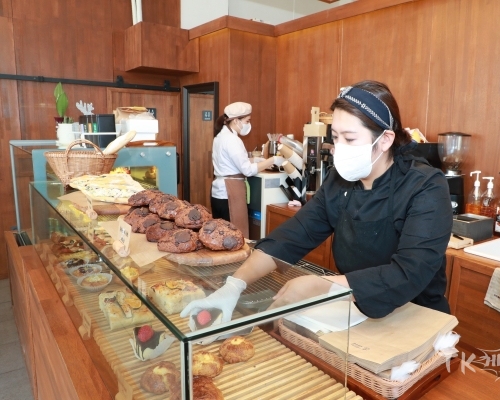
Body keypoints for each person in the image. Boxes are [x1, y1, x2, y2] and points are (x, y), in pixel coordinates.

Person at [183, 81, 453, 325]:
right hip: (357, 309)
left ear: (385, 140)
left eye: (350, 138)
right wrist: (234, 284)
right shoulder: (342, 181)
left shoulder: (425, 186)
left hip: (415, 317)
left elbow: (410, 272)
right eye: (335, 137)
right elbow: (293, 236)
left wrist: (321, 287)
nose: (339, 147)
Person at [211, 102, 284, 237]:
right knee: (233, 236)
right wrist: (272, 160)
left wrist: (256, 160)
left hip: (218, 193)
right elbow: (247, 170)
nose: (248, 124)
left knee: (221, 235)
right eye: (247, 121)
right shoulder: (232, 140)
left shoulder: (220, 136)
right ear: (236, 120)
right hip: (229, 192)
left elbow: (232, 162)